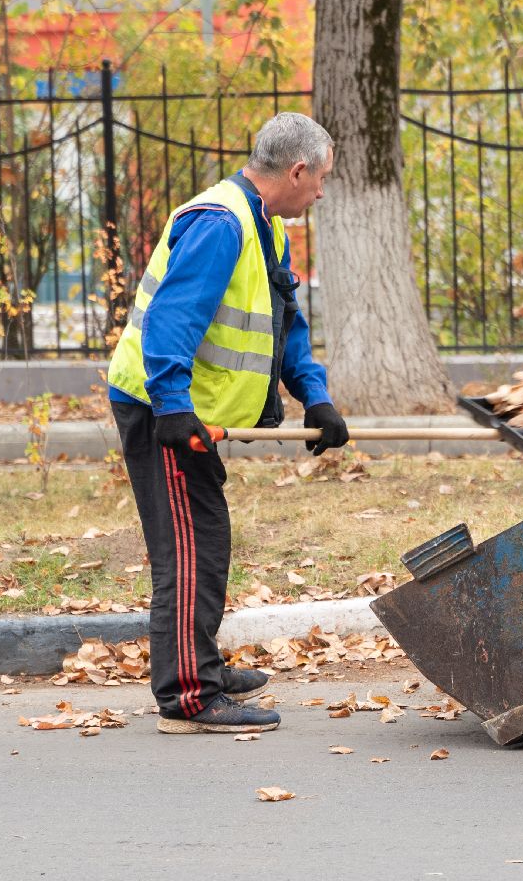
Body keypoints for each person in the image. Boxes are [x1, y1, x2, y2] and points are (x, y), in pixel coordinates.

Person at [107, 112, 350, 734]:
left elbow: (283, 327)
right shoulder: (220, 223)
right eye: (320, 178)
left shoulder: (263, 226)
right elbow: (172, 319)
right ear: (296, 171)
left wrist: (314, 397)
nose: (321, 191)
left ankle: (200, 663)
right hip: (163, 409)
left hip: (185, 408)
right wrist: (171, 406)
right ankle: (191, 694)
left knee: (203, 542)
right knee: (190, 551)